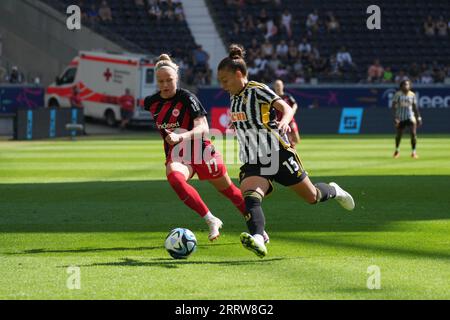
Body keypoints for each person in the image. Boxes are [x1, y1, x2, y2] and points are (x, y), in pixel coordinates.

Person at [217, 44, 355, 258]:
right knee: (251, 197)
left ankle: (334, 190)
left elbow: (286, 108)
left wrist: (285, 122)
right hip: (253, 159)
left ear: (238, 74)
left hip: (278, 153)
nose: (222, 86)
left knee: (312, 197)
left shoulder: (257, 89)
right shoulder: (234, 96)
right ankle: (259, 238)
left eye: (225, 81)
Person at [144, 54, 268, 242]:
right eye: (160, 81)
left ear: (176, 78)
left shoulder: (187, 98)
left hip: (201, 151)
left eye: (169, 80)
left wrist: (180, 136)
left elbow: (204, 128)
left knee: (230, 192)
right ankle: (211, 219)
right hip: (179, 154)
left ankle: (258, 229)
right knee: (175, 178)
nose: (165, 85)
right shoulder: (151, 103)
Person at [392, 80, 422, 159]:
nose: (406, 86)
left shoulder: (412, 95)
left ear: (410, 86)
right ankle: (397, 150)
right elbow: (394, 106)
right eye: (404, 85)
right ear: (401, 86)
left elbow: (415, 107)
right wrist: (395, 117)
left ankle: (414, 152)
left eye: (408, 85)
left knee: (413, 134)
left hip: (410, 117)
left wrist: (418, 117)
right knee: (399, 135)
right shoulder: (397, 95)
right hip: (400, 118)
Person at [273, 79, 301, 147]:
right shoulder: (272, 97)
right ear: (274, 87)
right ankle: (292, 149)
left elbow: (295, 104)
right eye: (276, 85)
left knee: (296, 139)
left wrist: (292, 111)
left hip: (289, 119)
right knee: (285, 140)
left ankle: (292, 145)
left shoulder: (287, 96)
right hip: (279, 121)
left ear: (282, 86)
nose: (278, 87)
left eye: (279, 85)